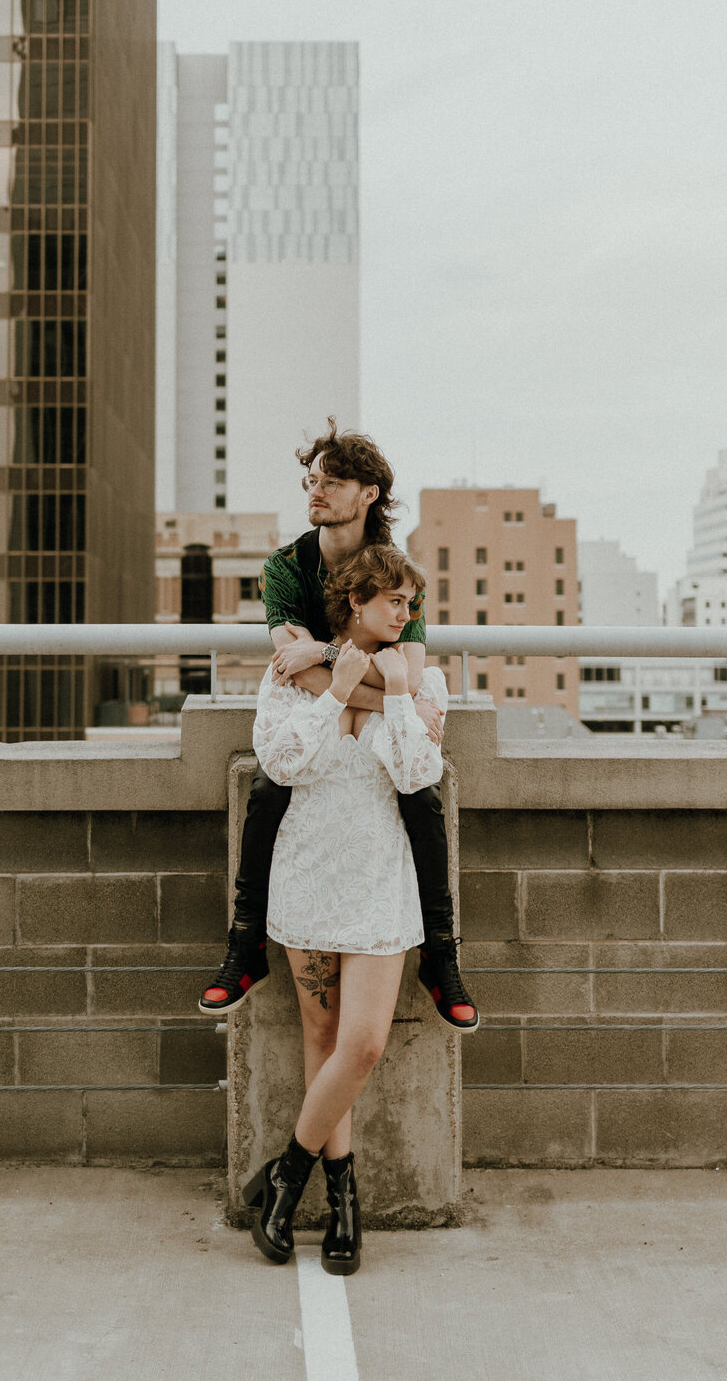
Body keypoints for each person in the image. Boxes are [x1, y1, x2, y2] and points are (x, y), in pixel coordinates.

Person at [196, 421, 479, 1033]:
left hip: (364, 718)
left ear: (370, 492)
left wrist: (335, 662)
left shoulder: (395, 573)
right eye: (312, 478)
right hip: (310, 720)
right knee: (269, 791)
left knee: (421, 800)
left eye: (334, 480)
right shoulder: (285, 567)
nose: (316, 489)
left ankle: (440, 954)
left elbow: (408, 665)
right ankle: (245, 945)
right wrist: (375, 684)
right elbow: (294, 672)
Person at [242, 544, 449, 1272]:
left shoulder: (425, 685)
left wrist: (395, 695)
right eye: (395, 601)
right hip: (307, 872)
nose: (408, 614)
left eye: (411, 603)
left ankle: (285, 1176)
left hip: (378, 882)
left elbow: (420, 772)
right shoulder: (292, 676)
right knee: (322, 1037)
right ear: (355, 604)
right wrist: (337, 692)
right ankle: (342, 1209)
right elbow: (278, 764)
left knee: (361, 1044)